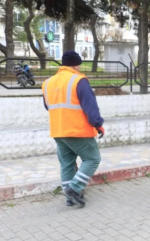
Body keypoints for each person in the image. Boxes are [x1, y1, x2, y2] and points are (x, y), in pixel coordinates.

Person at [41, 50, 104, 207]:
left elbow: (47, 106)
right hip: (77, 130)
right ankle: (74, 189)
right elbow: (90, 106)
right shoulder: (79, 80)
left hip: (58, 129)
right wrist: (98, 124)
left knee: (67, 164)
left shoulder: (48, 82)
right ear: (76, 64)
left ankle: (70, 198)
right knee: (92, 159)